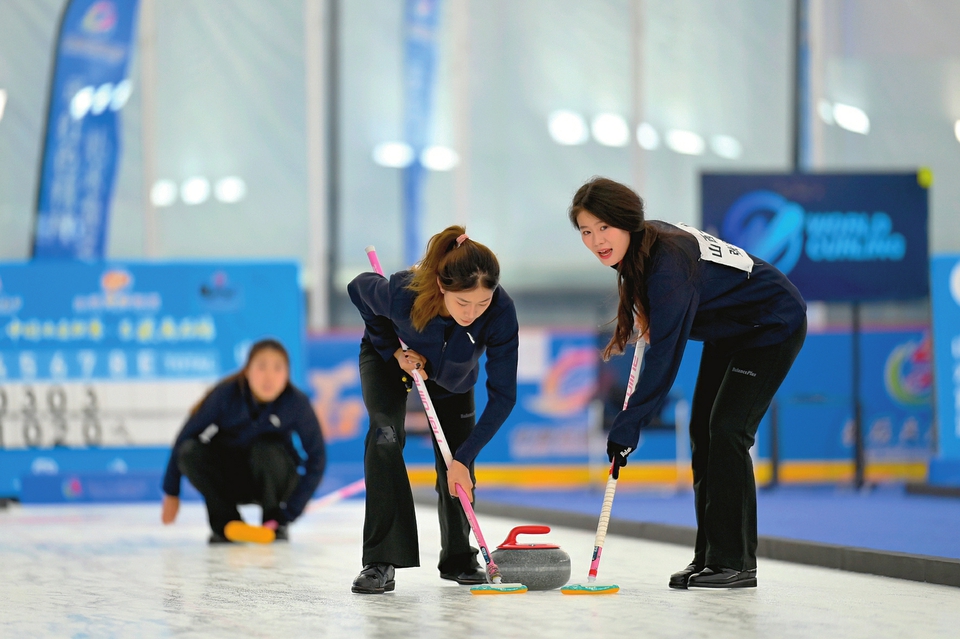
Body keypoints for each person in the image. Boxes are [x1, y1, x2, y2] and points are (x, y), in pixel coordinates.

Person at [570, 177, 806, 589]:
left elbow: (666, 355)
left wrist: (629, 423)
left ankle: (735, 563)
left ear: (627, 221)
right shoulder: (641, 252)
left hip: (771, 326)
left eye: (604, 227)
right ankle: (711, 557)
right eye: (586, 231)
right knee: (702, 431)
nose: (596, 241)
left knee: (728, 431)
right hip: (730, 332)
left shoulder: (667, 261)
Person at [347, 225, 519, 594]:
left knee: (457, 462)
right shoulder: (404, 292)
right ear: (442, 286)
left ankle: (458, 557)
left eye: (482, 303)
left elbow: (504, 395)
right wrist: (393, 350)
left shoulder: (501, 312)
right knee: (384, 435)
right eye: (463, 302)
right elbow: (358, 288)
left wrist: (464, 458)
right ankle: (381, 560)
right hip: (391, 359)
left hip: (452, 376)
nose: (472, 313)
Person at [161, 338, 326, 544]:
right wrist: (172, 491)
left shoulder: (296, 403)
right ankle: (226, 524)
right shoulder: (225, 394)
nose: (269, 377)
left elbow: (317, 458)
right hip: (230, 479)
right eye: (261, 367)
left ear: (287, 375)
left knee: (266, 450)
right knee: (190, 451)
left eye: (277, 368)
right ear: (247, 370)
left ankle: (272, 522)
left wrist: (290, 512)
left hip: (275, 478)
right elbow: (185, 438)